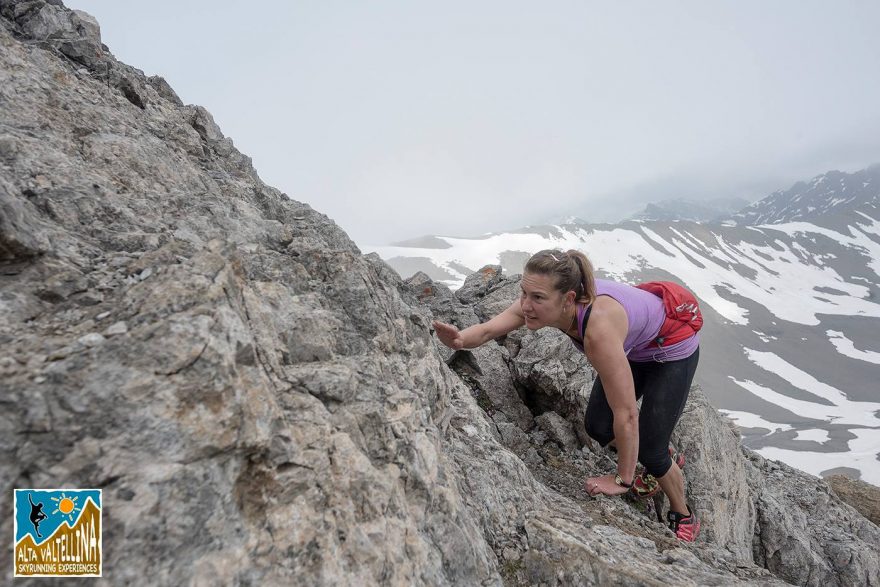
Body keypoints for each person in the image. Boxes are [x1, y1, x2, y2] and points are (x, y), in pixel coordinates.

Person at [432, 249, 701, 542]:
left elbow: (626, 413)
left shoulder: (597, 331)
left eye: (537, 298)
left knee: (651, 450)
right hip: (640, 346)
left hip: (672, 347)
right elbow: (486, 331)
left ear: (569, 299)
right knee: (597, 426)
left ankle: (683, 514)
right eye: (524, 293)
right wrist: (459, 340)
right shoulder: (544, 301)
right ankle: (659, 451)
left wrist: (622, 480)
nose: (526, 305)